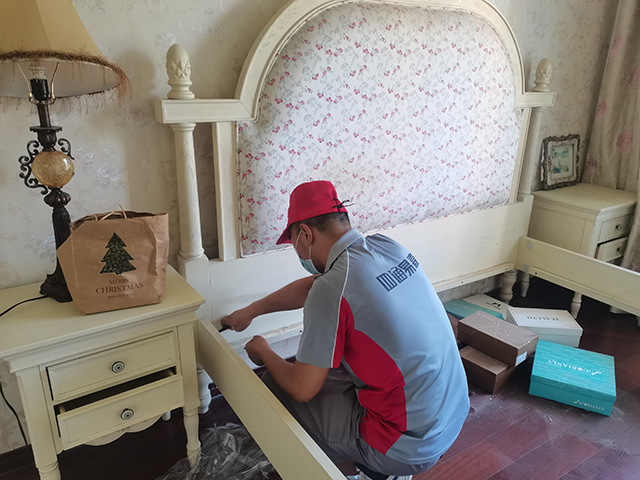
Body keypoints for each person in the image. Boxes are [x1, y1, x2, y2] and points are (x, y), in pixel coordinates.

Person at [222, 180, 469, 480]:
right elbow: (316, 287)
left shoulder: (332, 287)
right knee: (333, 367)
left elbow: (302, 389)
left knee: (276, 383)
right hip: (452, 416)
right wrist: (253, 310)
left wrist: (263, 351)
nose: (297, 251)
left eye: (294, 241)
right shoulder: (385, 247)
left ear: (306, 234)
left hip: (406, 448)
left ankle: (350, 469)